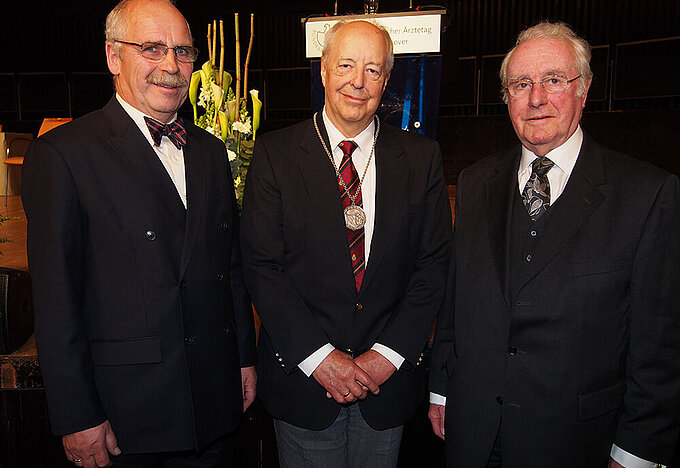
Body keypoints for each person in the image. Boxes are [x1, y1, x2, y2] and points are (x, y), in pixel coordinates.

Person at [428, 20, 680, 468]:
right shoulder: (473, 182)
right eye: (521, 84)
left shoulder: (647, 194)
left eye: (553, 80)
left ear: (583, 90)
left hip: (578, 441)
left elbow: (659, 345)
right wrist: (442, 386)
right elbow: (457, 299)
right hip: (474, 431)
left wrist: (637, 449)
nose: (537, 98)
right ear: (506, 97)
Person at [22, 0, 257, 466]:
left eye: (184, 52)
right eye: (152, 48)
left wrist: (243, 360)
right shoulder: (63, 156)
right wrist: (75, 415)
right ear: (113, 57)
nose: (171, 66)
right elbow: (55, 301)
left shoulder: (210, 151)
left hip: (213, 403)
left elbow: (229, 270)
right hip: (125, 416)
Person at [240, 19, 451, 468]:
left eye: (373, 70)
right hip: (303, 382)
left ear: (387, 79)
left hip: (387, 386)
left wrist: (387, 357)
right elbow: (262, 267)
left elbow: (432, 268)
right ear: (323, 69)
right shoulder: (275, 155)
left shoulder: (421, 158)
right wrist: (320, 359)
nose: (358, 82)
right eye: (347, 65)